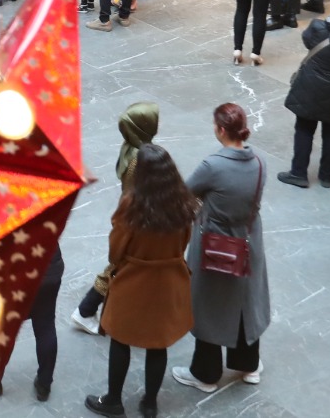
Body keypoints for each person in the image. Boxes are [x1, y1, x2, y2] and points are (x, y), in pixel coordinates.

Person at [85, 144, 198, 418]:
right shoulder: (183, 204)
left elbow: (115, 252)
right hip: (169, 283)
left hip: (133, 285)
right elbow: (184, 242)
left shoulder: (131, 207)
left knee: (121, 341)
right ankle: (149, 403)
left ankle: (113, 400)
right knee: (158, 344)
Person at [173, 104, 270, 395]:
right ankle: (248, 364)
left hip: (216, 244)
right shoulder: (260, 163)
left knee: (209, 304)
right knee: (244, 299)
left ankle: (205, 373)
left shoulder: (212, 166)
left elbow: (185, 193)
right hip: (249, 240)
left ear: (221, 130)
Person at [70, 103, 161, 333]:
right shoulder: (140, 160)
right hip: (137, 221)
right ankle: (86, 310)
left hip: (131, 217)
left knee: (123, 266)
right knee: (118, 268)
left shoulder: (131, 150)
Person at [277, 0, 330, 189]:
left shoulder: (317, 27)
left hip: (311, 87)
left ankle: (298, 173)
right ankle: (326, 177)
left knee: (304, 128)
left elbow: (307, 41)